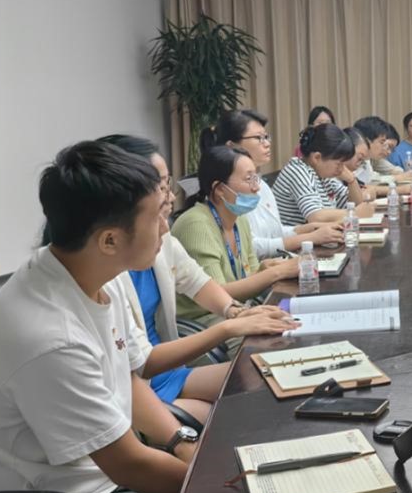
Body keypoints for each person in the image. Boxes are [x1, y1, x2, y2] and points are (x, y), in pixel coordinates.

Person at [0, 141, 191, 493]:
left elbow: (127, 379)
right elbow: (129, 465)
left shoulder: (99, 271)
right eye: (154, 218)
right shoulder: (48, 336)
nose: (165, 226)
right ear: (110, 240)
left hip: (108, 481)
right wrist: (216, 482)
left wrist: (181, 441)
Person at [99, 135, 298, 422]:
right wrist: (229, 327)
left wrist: (236, 312)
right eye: (162, 187)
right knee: (235, 418)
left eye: (168, 185)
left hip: (168, 372)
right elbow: (141, 363)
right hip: (140, 385)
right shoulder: (108, 271)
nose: (171, 197)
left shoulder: (162, 239)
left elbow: (197, 281)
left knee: (269, 378)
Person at [172, 146, 300, 327]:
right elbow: (217, 292)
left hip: (240, 309)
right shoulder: (196, 224)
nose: (256, 187)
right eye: (248, 179)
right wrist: (276, 273)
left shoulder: (239, 220)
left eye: (256, 177)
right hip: (206, 320)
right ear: (220, 189)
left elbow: (249, 277)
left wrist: (262, 269)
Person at [204, 109, 342, 259]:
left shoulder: (261, 184)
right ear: (232, 145)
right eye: (258, 138)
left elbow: (275, 231)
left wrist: (309, 229)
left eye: (266, 137)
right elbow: (249, 246)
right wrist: (310, 237)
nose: (267, 143)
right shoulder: (228, 191)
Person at [272, 124, 370, 228]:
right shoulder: (297, 171)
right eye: (339, 163)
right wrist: (354, 213)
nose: (342, 169)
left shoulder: (323, 174)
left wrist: (351, 180)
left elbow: (355, 204)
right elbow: (315, 216)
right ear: (317, 158)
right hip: (294, 237)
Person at [353, 117, 412, 198]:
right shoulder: (351, 158)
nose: (384, 148)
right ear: (367, 141)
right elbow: (366, 187)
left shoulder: (366, 161)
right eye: (382, 142)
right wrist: (401, 189)